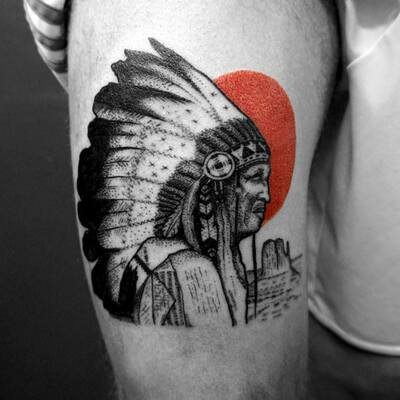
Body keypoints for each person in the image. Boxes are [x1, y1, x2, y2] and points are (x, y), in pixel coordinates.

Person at [24, 0, 400, 399]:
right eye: (254, 178)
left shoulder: (191, 263)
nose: (266, 193)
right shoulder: (188, 271)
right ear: (215, 181)